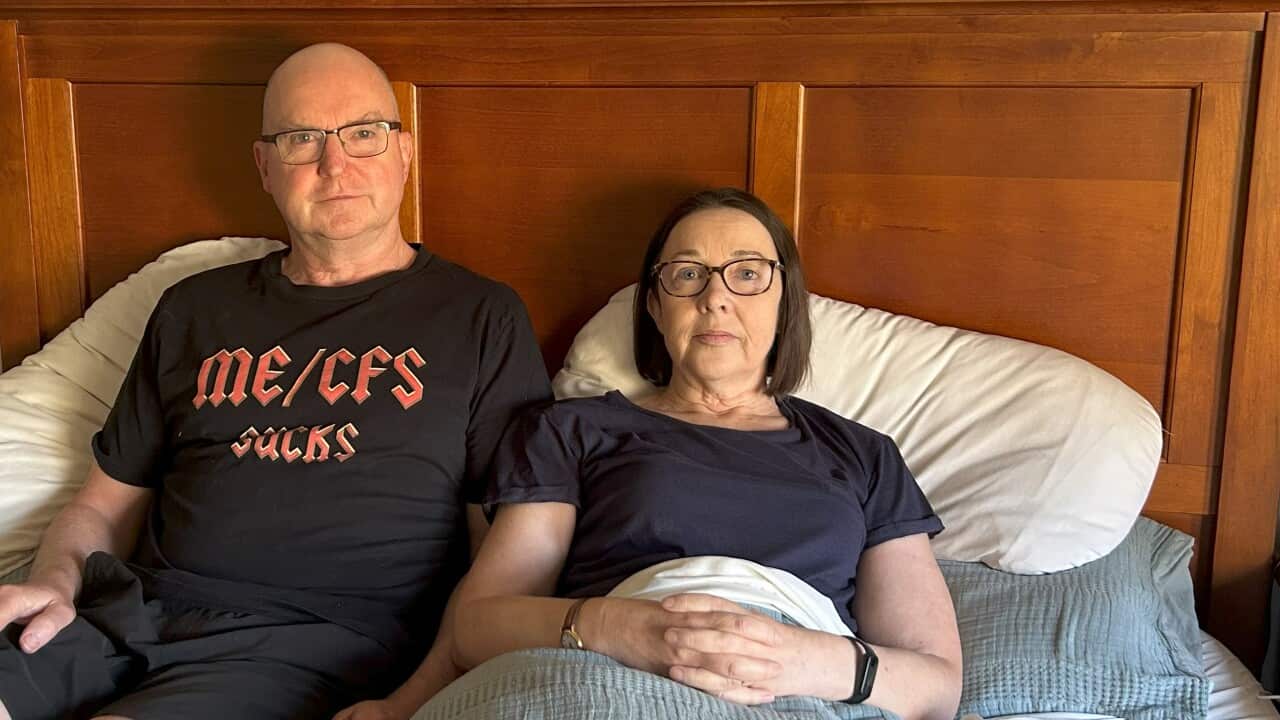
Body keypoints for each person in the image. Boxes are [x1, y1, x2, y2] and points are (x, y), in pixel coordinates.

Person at [0, 43, 550, 720]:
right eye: (301, 139)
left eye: (363, 134)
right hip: (122, 619)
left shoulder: (479, 316)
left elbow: (503, 548)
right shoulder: (193, 308)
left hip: (316, 644)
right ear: (265, 165)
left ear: (403, 152)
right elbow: (102, 507)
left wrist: (418, 696)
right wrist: (53, 581)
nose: (335, 164)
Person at [430, 188, 963, 719]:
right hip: (602, 678)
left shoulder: (865, 455)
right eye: (687, 274)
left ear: (786, 301)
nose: (715, 296)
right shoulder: (573, 430)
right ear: (656, 308)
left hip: (808, 690)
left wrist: (800, 660)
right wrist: (617, 627)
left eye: (748, 273)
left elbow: (935, 685)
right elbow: (477, 627)